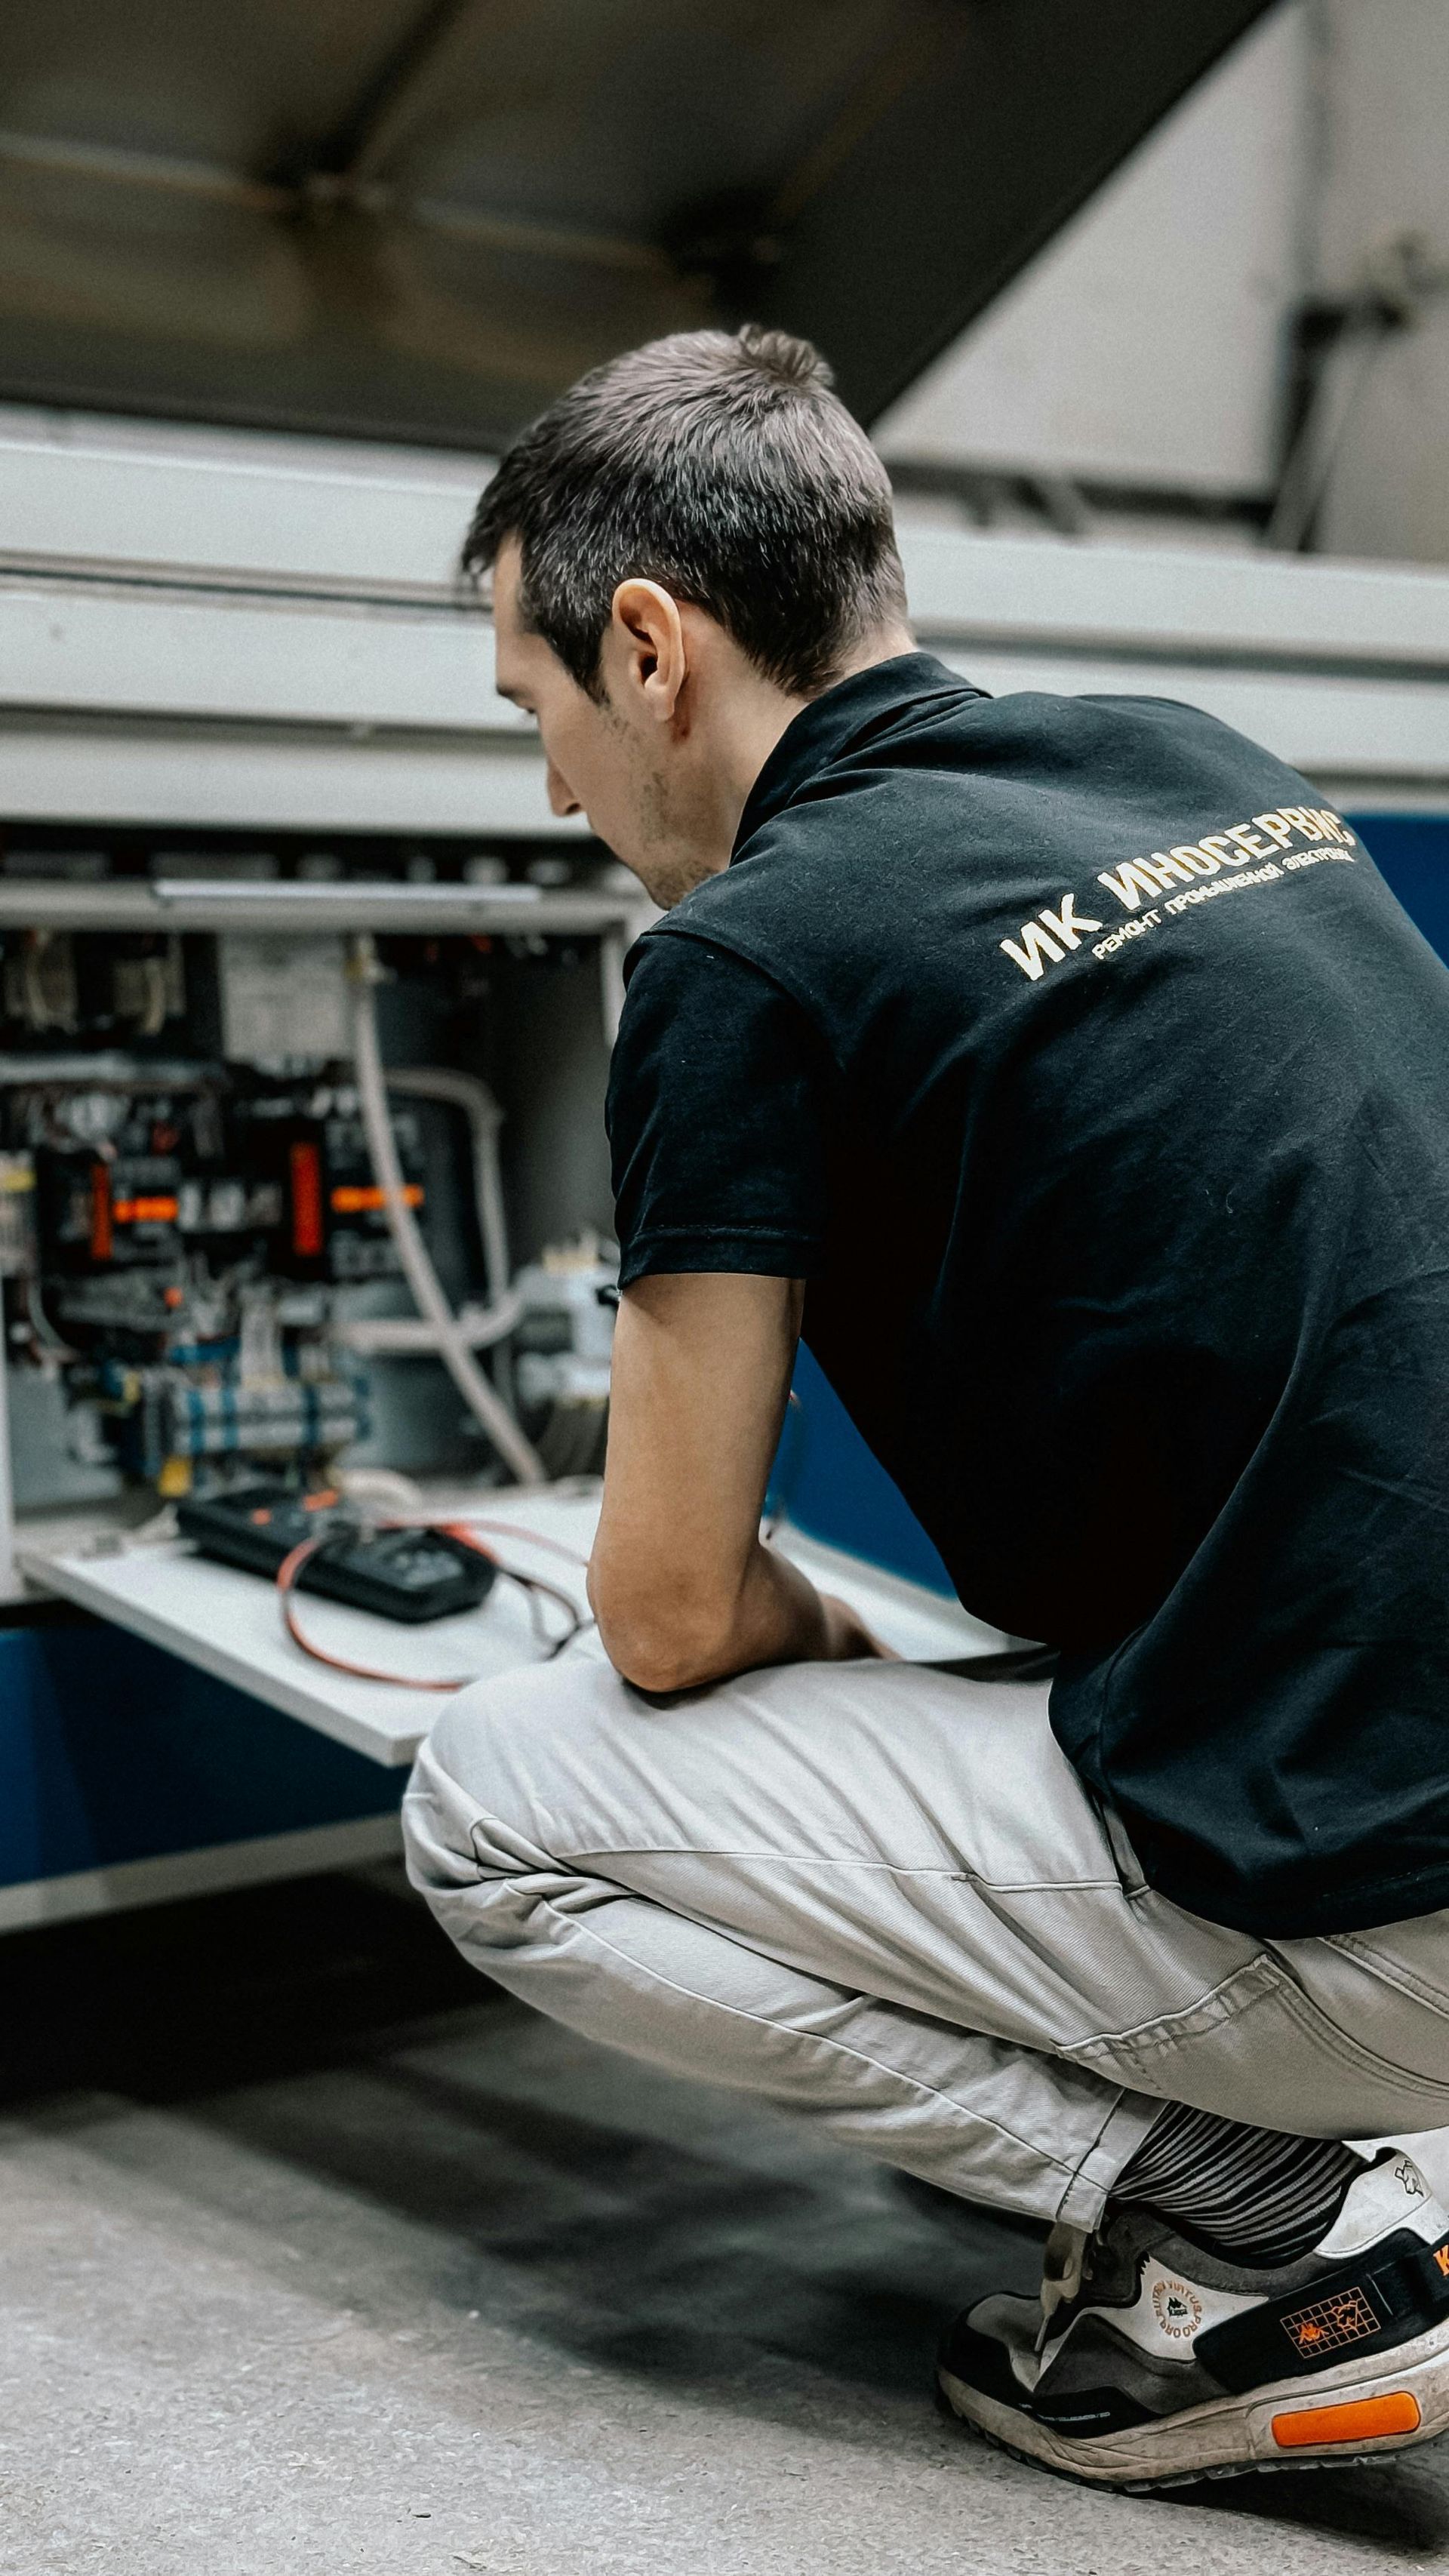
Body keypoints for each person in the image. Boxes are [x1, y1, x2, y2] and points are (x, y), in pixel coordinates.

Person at [402, 325, 1449, 2489]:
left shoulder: (748, 963)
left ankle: (1240, 2225)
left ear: (652, 646)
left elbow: (669, 1617)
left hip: (1390, 1916)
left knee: (491, 1808)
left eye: (541, 714)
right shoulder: (1195, 762)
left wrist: (835, 1642)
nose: (552, 794)